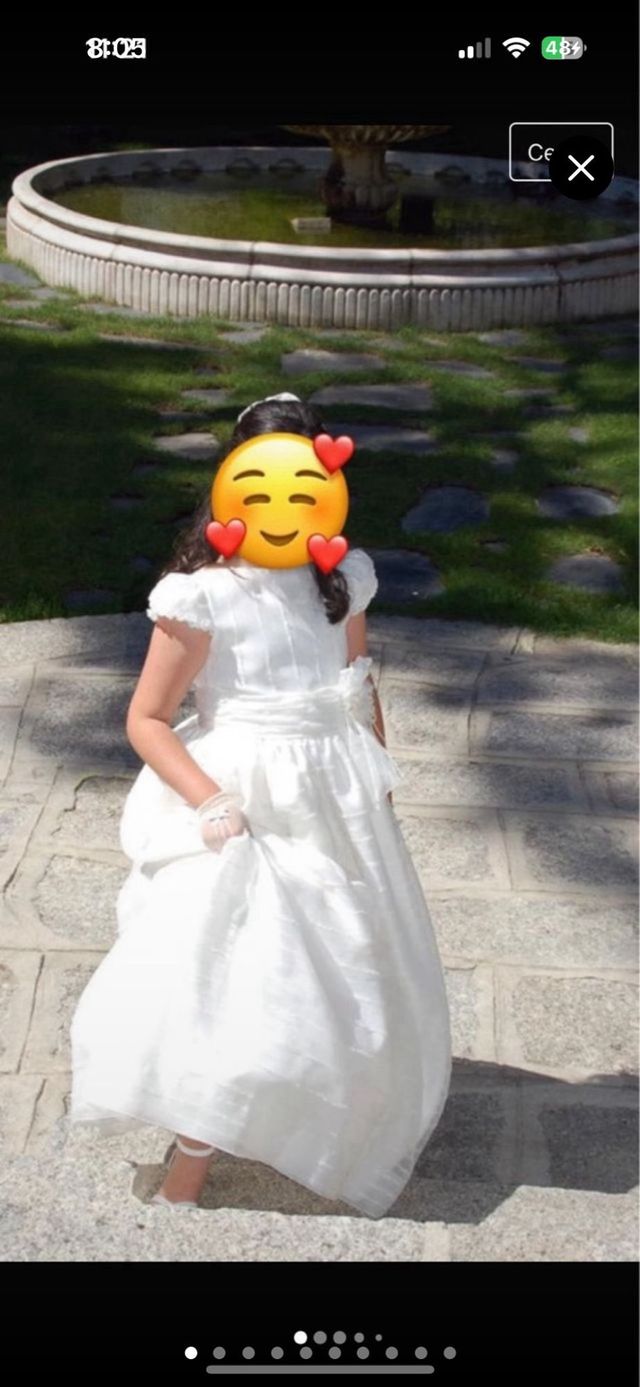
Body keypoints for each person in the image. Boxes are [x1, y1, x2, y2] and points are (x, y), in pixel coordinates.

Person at [69, 393, 452, 1220]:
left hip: (333, 787)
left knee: (338, 954)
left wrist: (377, 769)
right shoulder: (202, 596)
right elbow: (145, 718)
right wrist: (210, 800)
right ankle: (196, 1149)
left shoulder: (341, 579)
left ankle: (318, 1105)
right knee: (234, 962)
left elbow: (355, 681)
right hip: (241, 791)